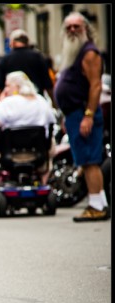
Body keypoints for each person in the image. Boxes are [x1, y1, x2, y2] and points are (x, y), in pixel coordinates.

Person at [54, 11, 109, 222]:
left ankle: (96, 206)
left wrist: (88, 115)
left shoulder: (89, 53)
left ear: (86, 28)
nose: (72, 30)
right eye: (68, 27)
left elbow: (95, 86)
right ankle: (101, 203)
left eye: (77, 26)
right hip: (74, 114)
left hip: (83, 113)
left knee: (89, 161)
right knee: (86, 161)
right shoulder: (75, 52)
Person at [0, 71, 56, 209]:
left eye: (8, 86)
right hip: (38, 152)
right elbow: (51, 122)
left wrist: (0, 99)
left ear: (16, 87)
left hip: (8, 151)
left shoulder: (8, 103)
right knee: (51, 151)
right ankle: (43, 182)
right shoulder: (41, 101)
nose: (5, 89)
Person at [0, 29, 55, 106]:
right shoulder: (38, 57)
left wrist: (0, 105)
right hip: (35, 103)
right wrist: (54, 104)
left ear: (12, 43)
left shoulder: (5, 59)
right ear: (27, 43)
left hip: (13, 105)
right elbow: (48, 84)